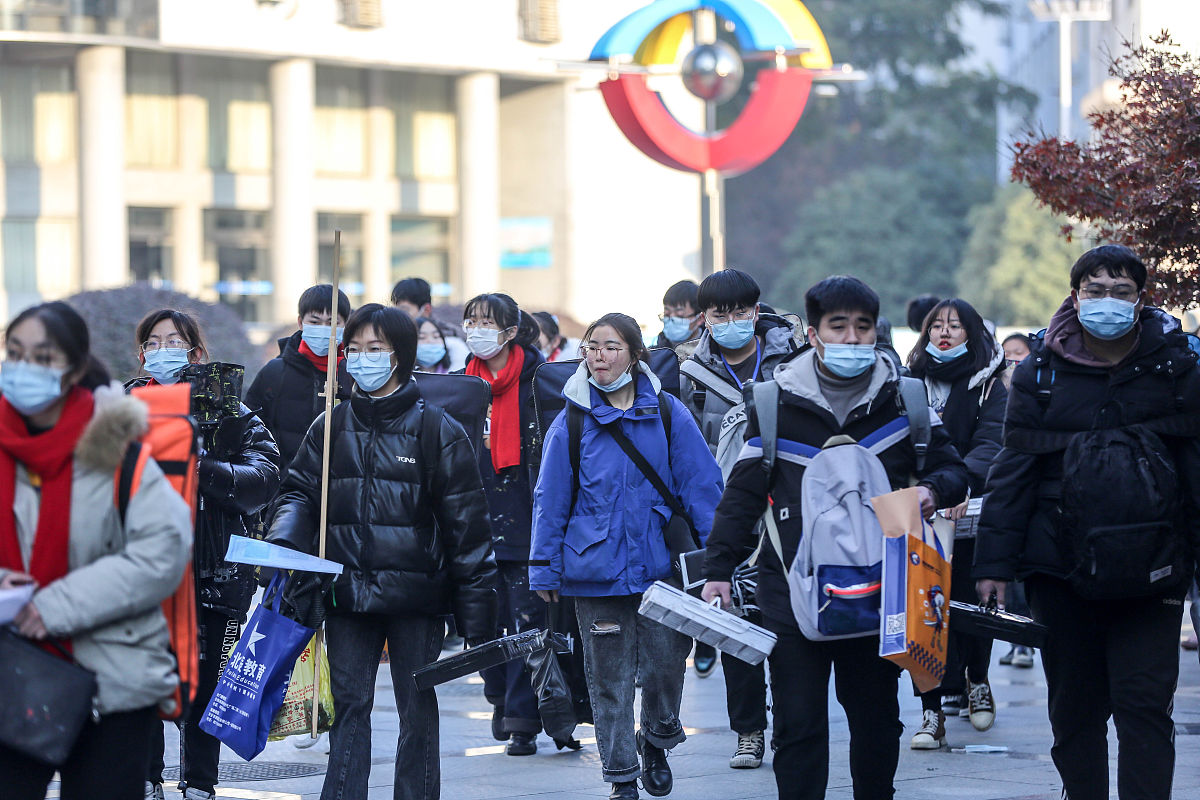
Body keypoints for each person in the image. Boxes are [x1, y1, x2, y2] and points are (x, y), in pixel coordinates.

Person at [701, 276, 968, 800]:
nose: (851, 339)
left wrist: (933, 490)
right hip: (791, 590)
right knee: (798, 724)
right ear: (813, 333)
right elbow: (743, 496)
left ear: (876, 332)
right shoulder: (776, 403)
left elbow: (953, 469)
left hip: (880, 589)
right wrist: (717, 572)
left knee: (875, 719)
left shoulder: (903, 398)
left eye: (862, 328)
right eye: (838, 327)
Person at [976, 244, 1200, 800]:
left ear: (1141, 300)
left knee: (1145, 709)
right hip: (1061, 568)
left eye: (1121, 291)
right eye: (1094, 290)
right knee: (1074, 714)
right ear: (1074, 298)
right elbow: (1014, 470)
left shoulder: (1176, 368)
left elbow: (1196, 468)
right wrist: (994, 565)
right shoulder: (1039, 374)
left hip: (1154, 569)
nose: (1107, 301)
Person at [268, 303, 498, 800]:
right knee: (348, 705)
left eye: (377, 349)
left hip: (417, 597)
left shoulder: (437, 430)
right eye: (355, 349)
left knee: (418, 709)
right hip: (346, 591)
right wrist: (285, 538)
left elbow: (468, 531)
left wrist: (478, 621)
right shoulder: (329, 427)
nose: (363, 359)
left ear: (400, 356)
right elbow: (298, 494)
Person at [0, 302, 193, 800]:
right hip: (11, 674)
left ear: (75, 368)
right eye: (15, 354)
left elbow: (163, 549)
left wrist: (54, 606)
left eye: (43, 357)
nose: (25, 369)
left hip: (111, 680)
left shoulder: (116, 447)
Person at [530, 312, 723, 800]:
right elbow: (550, 500)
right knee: (609, 681)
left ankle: (655, 740)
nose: (600, 355)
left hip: (660, 569)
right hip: (593, 570)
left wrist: (719, 561)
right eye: (592, 346)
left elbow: (702, 488)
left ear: (636, 355)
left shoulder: (666, 412)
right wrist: (544, 566)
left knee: (665, 666)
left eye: (612, 347)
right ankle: (621, 777)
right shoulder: (571, 419)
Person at [131, 310, 281, 800]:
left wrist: (200, 464)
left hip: (212, 572)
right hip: (141, 573)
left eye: (175, 341)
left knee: (204, 682)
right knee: (141, 682)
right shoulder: (123, 408)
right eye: (153, 342)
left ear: (196, 352)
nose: (163, 349)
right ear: (142, 353)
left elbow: (264, 477)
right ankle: (145, 778)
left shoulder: (229, 412)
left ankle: (199, 782)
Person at [678, 268, 797, 767]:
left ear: (756, 310)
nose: (732, 321)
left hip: (787, 511)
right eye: (720, 313)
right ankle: (748, 729)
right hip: (724, 515)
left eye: (741, 311)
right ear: (704, 318)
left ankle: (792, 727)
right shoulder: (688, 374)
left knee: (789, 627)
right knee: (734, 624)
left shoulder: (792, 361)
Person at [904, 298, 1007, 748]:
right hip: (920, 513)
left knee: (970, 601)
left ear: (972, 333)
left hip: (971, 511)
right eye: (937, 326)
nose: (944, 333)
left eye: (956, 326)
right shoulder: (906, 384)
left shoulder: (988, 386)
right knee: (923, 614)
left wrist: (960, 485)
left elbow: (992, 442)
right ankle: (930, 713)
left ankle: (978, 678)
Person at [460, 293, 548, 755]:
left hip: (525, 516)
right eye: (470, 321)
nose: (476, 329)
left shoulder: (539, 382)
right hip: (472, 518)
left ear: (510, 332)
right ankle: (498, 694)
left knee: (524, 622)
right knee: (478, 623)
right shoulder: (460, 386)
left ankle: (522, 719)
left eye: (486, 322)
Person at [245, 284, 352, 480]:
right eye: (315, 321)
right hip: (286, 489)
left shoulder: (355, 374)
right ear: (301, 323)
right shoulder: (275, 373)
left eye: (332, 322)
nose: (324, 329)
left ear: (345, 325)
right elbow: (251, 432)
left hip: (343, 488)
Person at [391, 277, 468, 370]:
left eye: (404, 310)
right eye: (396, 310)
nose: (398, 316)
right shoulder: (392, 340)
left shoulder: (453, 345)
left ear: (426, 310)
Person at [654, 280, 703, 348]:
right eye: (667, 314)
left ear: (700, 318)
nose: (672, 320)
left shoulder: (712, 353)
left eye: (680, 316)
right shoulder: (654, 354)